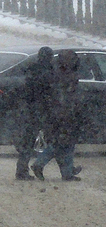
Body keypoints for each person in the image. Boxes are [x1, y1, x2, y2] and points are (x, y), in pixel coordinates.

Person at [31, 50, 83, 181]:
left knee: (62, 142)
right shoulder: (69, 76)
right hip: (64, 113)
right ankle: (42, 164)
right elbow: (69, 97)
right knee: (64, 143)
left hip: (56, 113)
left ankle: (67, 171)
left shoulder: (55, 73)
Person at [15, 47, 55, 180]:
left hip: (31, 109)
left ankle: (21, 169)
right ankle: (65, 169)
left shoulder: (31, 69)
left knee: (28, 141)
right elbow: (50, 91)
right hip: (44, 109)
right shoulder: (49, 71)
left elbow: (27, 89)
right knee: (56, 140)